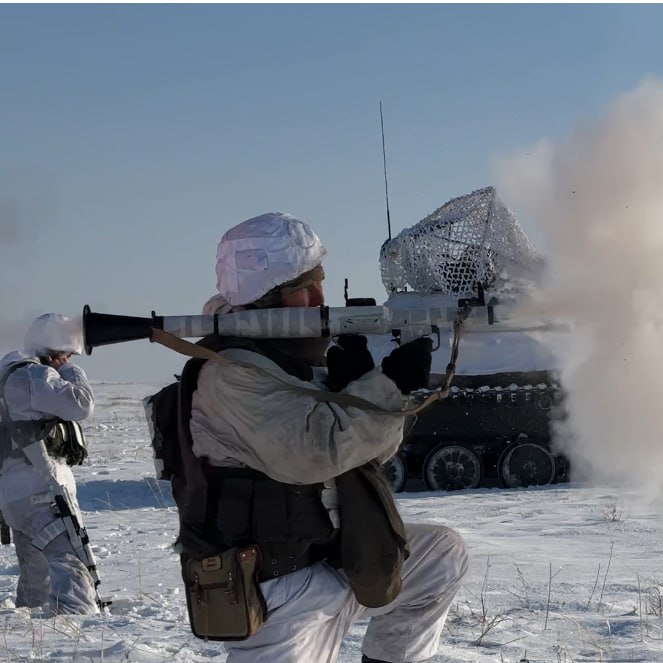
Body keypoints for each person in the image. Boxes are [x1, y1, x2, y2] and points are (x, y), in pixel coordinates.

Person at [179, 212, 467, 663]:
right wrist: (384, 387)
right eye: (302, 289)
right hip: (278, 591)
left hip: (335, 561)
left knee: (439, 554)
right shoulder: (231, 374)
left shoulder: (285, 359)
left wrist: (358, 385)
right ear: (265, 299)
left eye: (319, 282)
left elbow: (372, 450)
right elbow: (319, 453)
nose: (319, 298)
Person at [0, 313, 99, 615]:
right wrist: (70, 370)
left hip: (14, 494)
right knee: (70, 558)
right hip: (41, 489)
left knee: (36, 573)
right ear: (55, 352)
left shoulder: (6, 374)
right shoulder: (35, 376)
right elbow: (81, 404)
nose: (67, 360)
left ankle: (31, 632)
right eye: (66, 354)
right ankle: (74, 630)